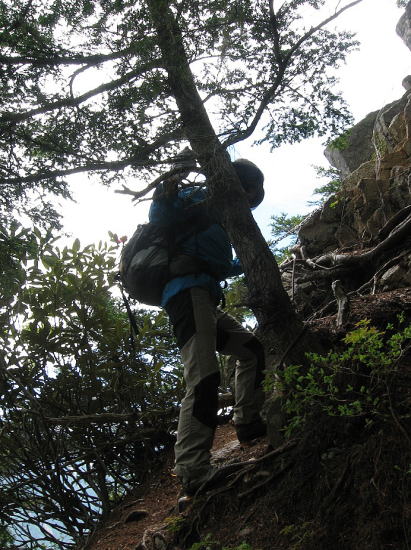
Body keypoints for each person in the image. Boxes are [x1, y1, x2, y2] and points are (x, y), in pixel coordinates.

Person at [148, 157, 266, 504]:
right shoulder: (197, 198)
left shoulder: (222, 217)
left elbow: (214, 263)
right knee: (203, 379)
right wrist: (170, 180)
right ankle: (194, 472)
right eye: (251, 191)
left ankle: (248, 423)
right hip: (187, 296)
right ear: (240, 185)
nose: (251, 199)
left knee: (252, 351)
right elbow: (160, 217)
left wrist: (245, 261)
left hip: (203, 299)